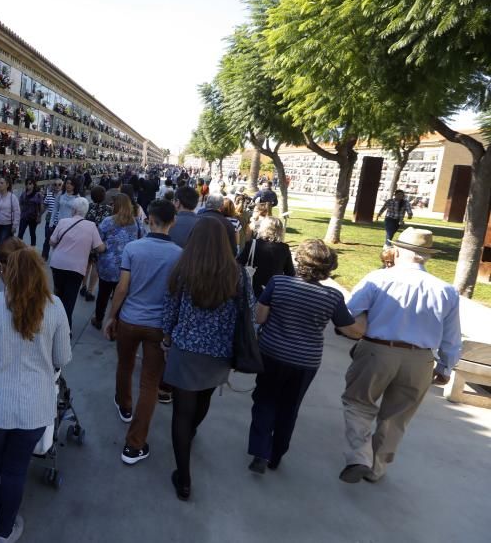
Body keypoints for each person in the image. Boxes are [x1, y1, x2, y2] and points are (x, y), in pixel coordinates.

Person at [0, 241, 72, 543]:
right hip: (34, 409)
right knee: (14, 471)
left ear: (5, 272)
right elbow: (62, 358)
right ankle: (5, 530)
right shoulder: (56, 307)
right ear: (40, 274)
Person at [339, 227, 461, 484]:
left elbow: (349, 311)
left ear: (399, 250)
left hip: (377, 350)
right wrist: (446, 367)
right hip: (421, 359)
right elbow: (452, 336)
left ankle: (359, 457)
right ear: (426, 256)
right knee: (396, 417)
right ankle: (377, 468)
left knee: (358, 403)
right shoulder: (445, 290)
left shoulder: (379, 278)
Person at [247, 240, 366, 474]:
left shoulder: (278, 282)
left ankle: (259, 451)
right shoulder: (332, 296)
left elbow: (260, 317)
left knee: (265, 401)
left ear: (299, 261)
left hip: (271, 352)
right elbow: (348, 329)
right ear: (329, 267)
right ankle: (276, 454)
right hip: (305, 360)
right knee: (289, 407)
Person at [163, 218, 255, 501]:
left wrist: (167, 337)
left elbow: (170, 311)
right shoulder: (238, 275)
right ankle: (189, 435)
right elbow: (248, 313)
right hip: (219, 352)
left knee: (181, 411)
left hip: (186, 349)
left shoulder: (183, 270)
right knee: (203, 401)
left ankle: (184, 477)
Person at [104, 200, 181, 465]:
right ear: (173, 221)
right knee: (150, 383)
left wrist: (111, 316)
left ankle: (124, 404)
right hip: (158, 325)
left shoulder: (133, 248)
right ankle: (134, 444)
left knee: (124, 364)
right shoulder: (179, 254)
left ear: (149, 219)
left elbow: (122, 288)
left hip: (129, 319)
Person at [48, 196, 105, 326]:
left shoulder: (62, 222)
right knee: (70, 298)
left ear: (73, 210)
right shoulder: (91, 226)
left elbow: (52, 241)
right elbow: (99, 247)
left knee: (58, 295)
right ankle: (66, 327)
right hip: (76, 268)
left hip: (58, 264)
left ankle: (54, 323)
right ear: (85, 211)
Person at [92, 193, 144, 329]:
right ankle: (115, 322)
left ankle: (98, 319)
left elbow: (97, 240)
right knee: (121, 295)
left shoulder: (108, 221)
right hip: (127, 265)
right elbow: (141, 240)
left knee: (103, 293)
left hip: (107, 265)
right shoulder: (136, 222)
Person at [237, 216, 296, 297]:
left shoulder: (252, 244)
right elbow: (290, 273)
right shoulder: (284, 248)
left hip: (252, 287)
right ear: (280, 230)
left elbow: (238, 264)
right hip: (273, 289)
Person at [81, 186, 113, 302]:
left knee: (86, 264)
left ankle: (83, 286)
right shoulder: (109, 210)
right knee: (95, 265)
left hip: (86, 239)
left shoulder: (88, 207)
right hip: (99, 241)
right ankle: (90, 290)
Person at [0, 175, 20, 277]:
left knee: (0, 246)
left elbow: (17, 212)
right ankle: (7, 262)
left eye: (2, 183)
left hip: (7, 225)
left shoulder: (12, 197)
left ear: (7, 185)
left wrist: (15, 225)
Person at [17, 178, 43, 247]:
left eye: (30, 183)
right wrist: (21, 210)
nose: (28, 185)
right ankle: (19, 247)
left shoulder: (38, 194)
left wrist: (39, 217)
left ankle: (33, 248)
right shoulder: (23, 194)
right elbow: (20, 203)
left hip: (33, 217)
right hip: (24, 217)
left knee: (32, 233)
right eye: (27, 183)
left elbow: (41, 207)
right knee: (20, 233)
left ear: (33, 185)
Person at [40, 179, 61, 259]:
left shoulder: (63, 197)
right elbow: (44, 206)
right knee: (48, 238)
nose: (57, 186)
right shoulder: (49, 195)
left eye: (59, 184)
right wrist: (39, 216)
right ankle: (44, 256)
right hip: (49, 221)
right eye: (55, 184)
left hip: (60, 222)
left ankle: (57, 257)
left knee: (59, 240)